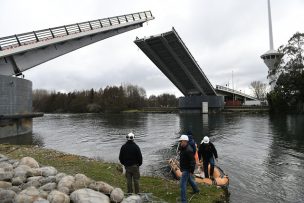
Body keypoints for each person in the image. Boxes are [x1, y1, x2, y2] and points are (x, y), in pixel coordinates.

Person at [178, 135, 199, 203]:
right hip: (184, 167)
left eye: (181, 141)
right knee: (190, 180)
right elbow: (180, 150)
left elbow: (192, 162)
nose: (180, 142)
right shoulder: (183, 147)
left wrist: (191, 171)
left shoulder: (189, 150)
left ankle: (184, 201)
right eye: (180, 141)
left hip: (187, 169)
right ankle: (196, 190)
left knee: (182, 185)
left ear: (185, 141)